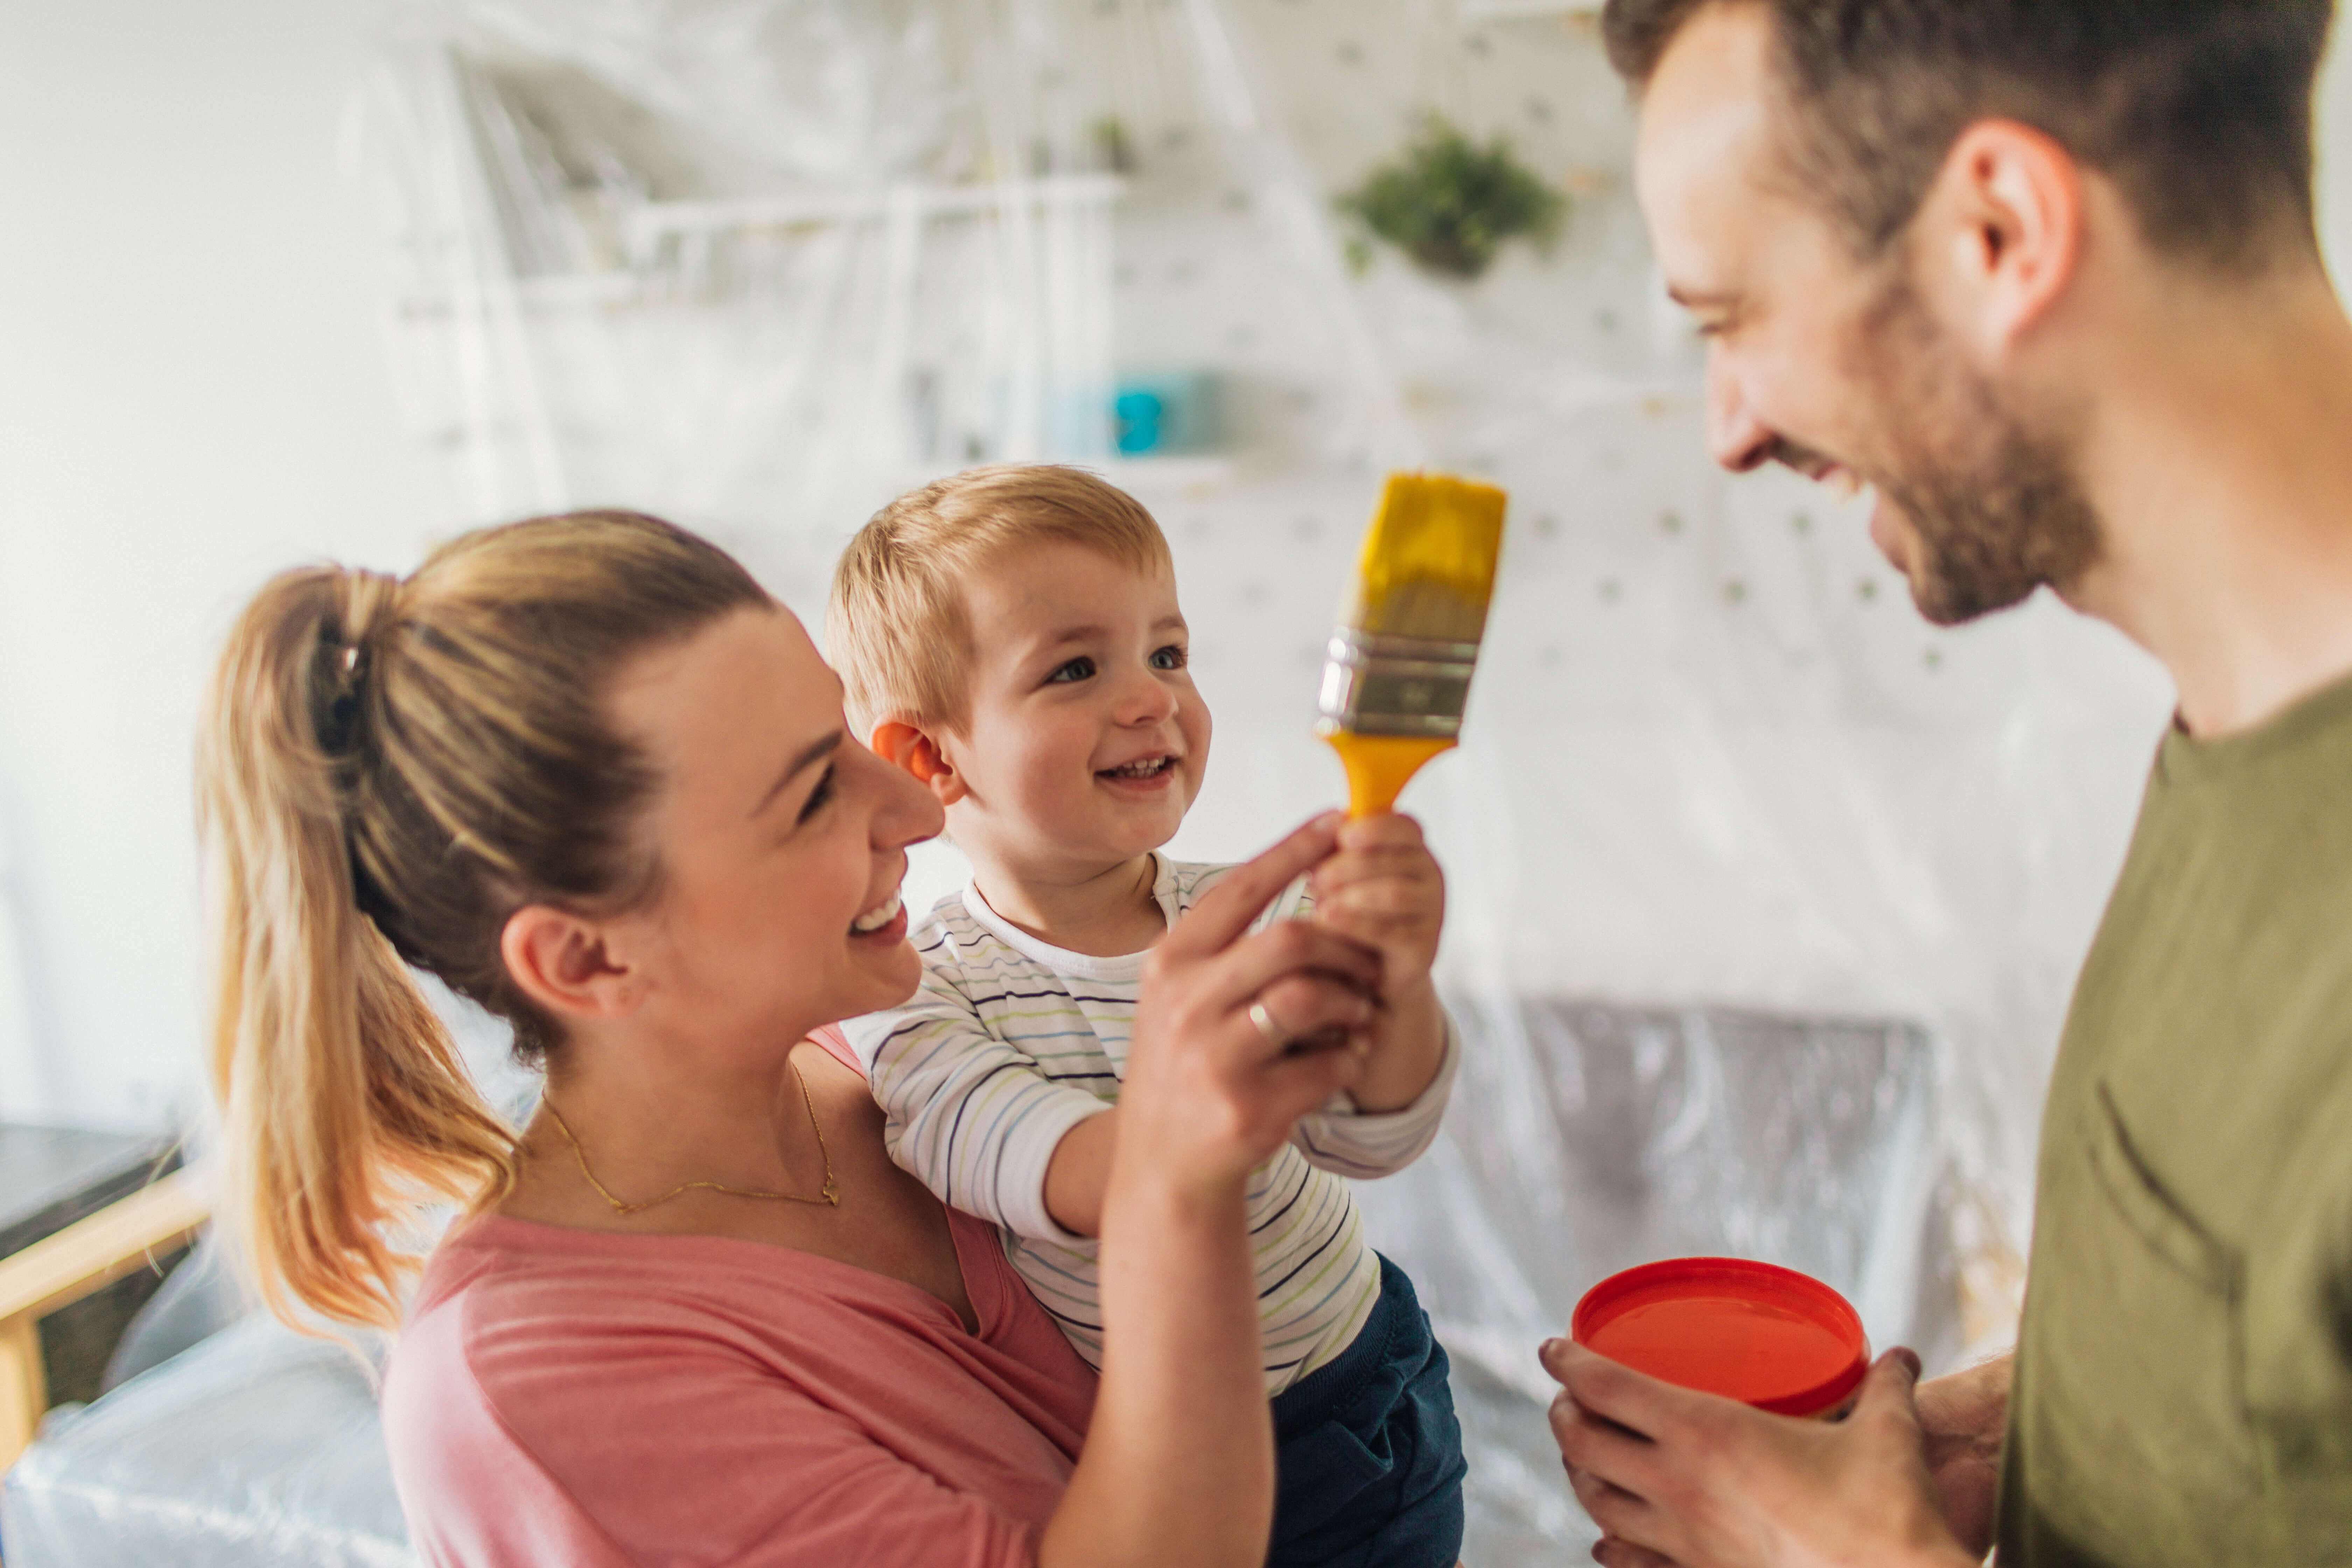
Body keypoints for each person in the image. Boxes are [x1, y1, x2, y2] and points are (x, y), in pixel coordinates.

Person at [198, 508, 1402, 1566]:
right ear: (587, 957)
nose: (922, 807)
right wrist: (1172, 1182)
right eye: (812, 794)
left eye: (843, 734)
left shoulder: (894, 1055)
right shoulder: (533, 1384)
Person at [1540, 2, 2352, 1565]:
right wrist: (2026, 1437)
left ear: (2000, 230)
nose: (1730, 428)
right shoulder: (2246, 733)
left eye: (1733, 317)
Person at [827, 465, 1467, 1567]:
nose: (1151, 698)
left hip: (1371, 1376)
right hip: (1160, 1449)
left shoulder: (1257, 913)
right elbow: (1037, 1168)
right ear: (931, 760)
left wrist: (1398, 986)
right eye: (1076, 668)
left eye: (1168, 653)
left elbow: (1380, 1139)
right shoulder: (922, 998)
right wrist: (1208, 1098)